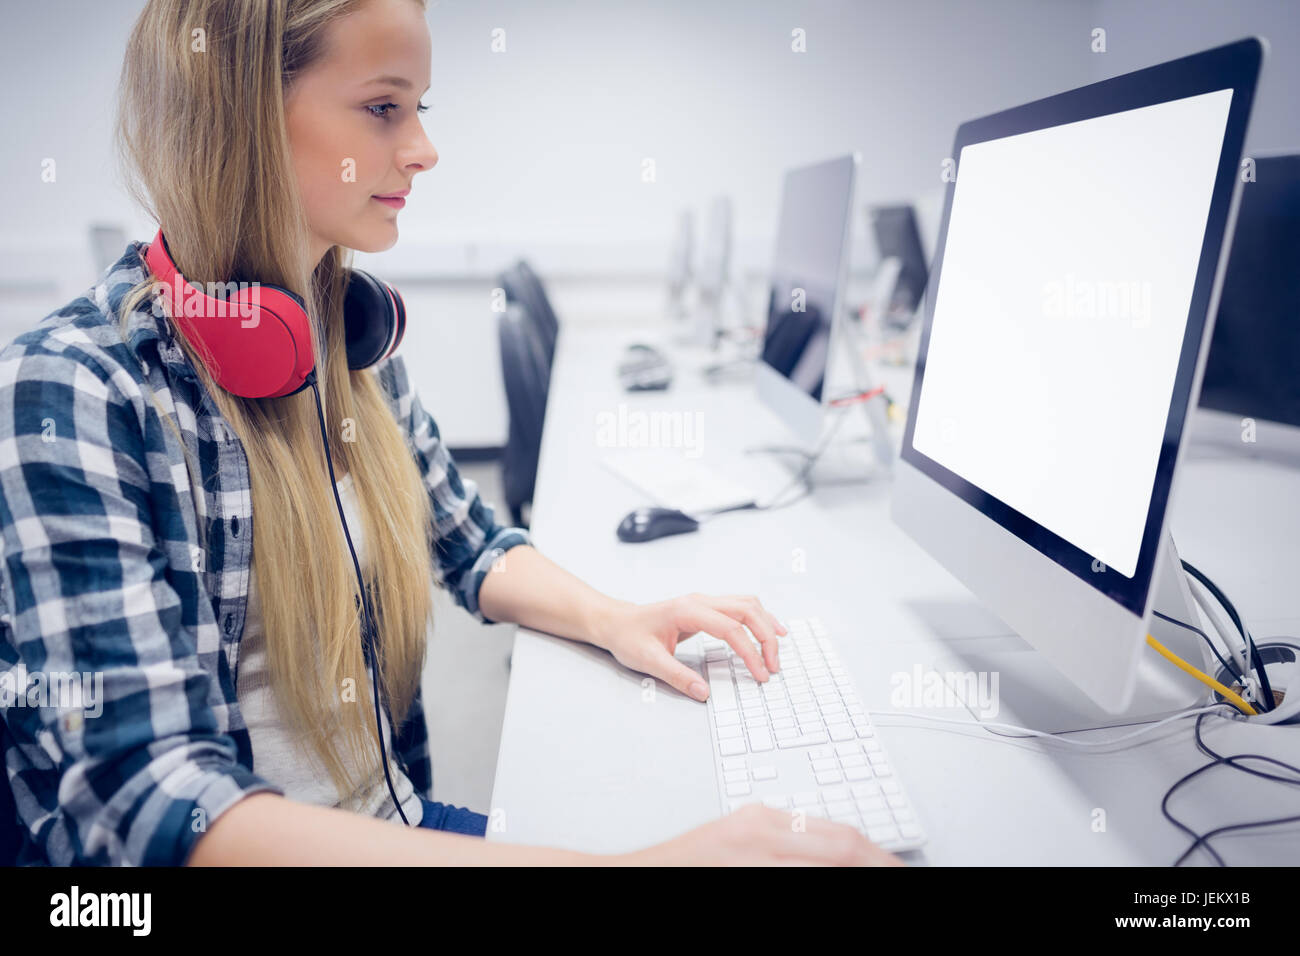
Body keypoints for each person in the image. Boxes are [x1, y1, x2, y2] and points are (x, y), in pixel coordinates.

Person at [0, 0, 900, 867]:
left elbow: (469, 542)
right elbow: (155, 807)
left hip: (395, 826)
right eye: (383, 108)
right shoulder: (73, 388)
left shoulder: (345, 334)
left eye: (417, 110)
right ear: (241, 115)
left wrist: (619, 617)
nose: (424, 150)